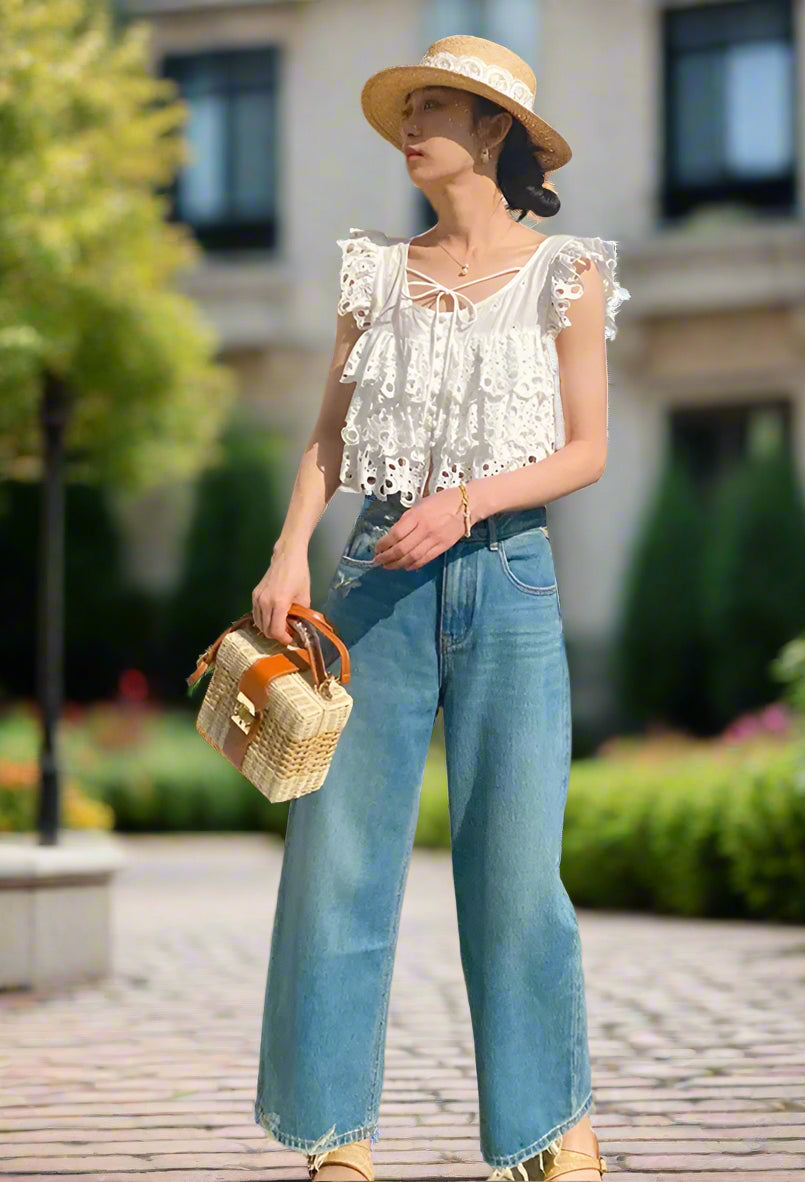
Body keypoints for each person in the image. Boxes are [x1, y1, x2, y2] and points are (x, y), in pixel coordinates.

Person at [251, 33, 629, 1182]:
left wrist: (465, 503)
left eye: (436, 108)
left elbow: (587, 452)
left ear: (494, 132)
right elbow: (328, 433)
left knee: (516, 872)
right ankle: (335, 1138)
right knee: (336, 861)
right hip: (375, 582)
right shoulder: (374, 271)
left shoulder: (569, 274)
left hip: (508, 577)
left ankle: (551, 1129)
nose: (411, 126)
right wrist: (286, 555)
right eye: (407, 108)